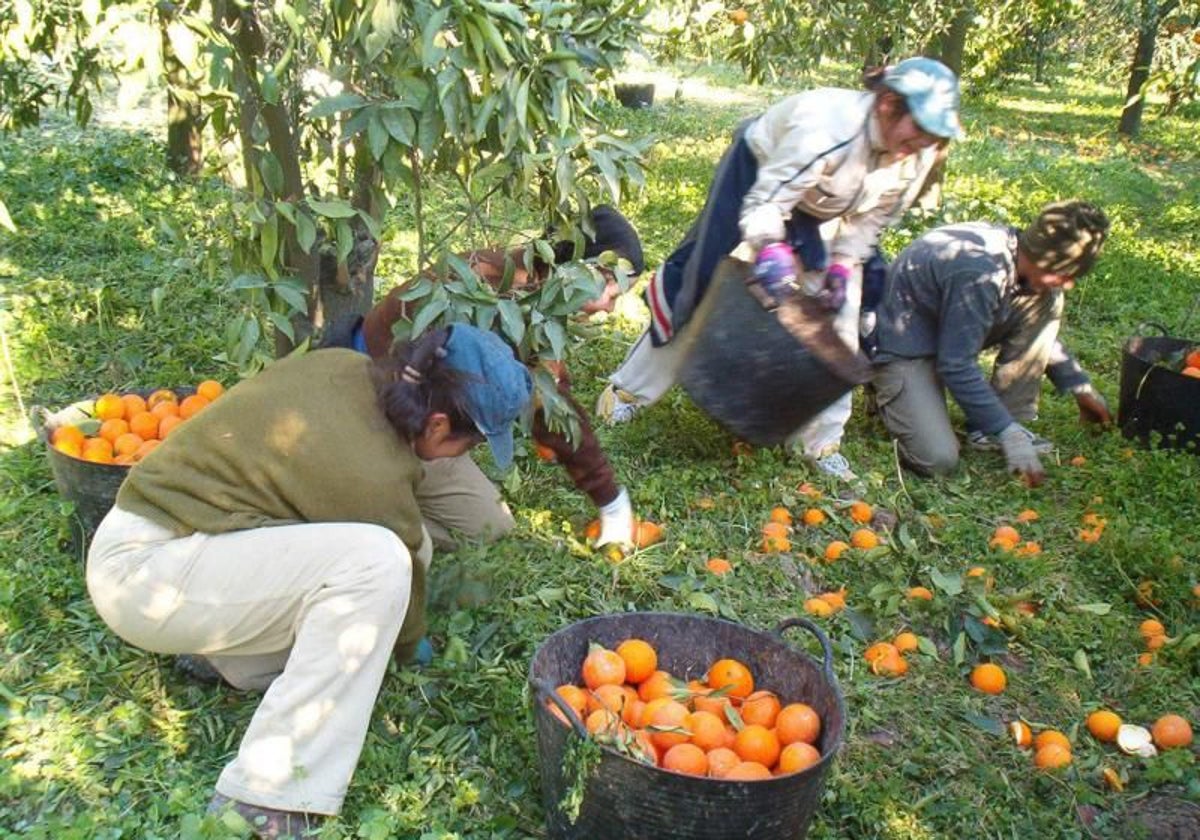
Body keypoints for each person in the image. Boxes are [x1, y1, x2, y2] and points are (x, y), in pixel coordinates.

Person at [85, 325, 532, 838]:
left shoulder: (343, 366)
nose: (461, 457)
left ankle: (234, 660)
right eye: (468, 444)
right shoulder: (371, 473)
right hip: (147, 572)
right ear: (435, 426)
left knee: (391, 556)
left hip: (172, 542)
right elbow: (401, 568)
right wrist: (408, 647)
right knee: (376, 563)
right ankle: (270, 795)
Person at [595, 57, 961, 481]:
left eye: (933, 134)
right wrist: (768, 248)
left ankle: (820, 443)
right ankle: (626, 393)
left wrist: (842, 265)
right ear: (889, 104)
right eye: (919, 127)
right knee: (701, 283)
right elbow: (768, 201)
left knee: (837, 320)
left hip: (824, 204)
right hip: (757, 175)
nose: (924, 141)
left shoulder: (915, 158)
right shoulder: (826, 130)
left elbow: (870, 222)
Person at [328, 205, 646, 548]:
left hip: (410, 405)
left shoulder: (528, 286)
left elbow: (549, 393)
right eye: (612, 294)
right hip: (375, 406)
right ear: (584, 271)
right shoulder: (497, 291)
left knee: (485, 522)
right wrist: (611, 502)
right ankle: (351, 516)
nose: (611, 308)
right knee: (481, 528)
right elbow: (549, 403)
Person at [870, 199, 1112, 485]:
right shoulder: (980, 272)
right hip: (903, 346)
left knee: (1048, 300)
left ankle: (994, 425)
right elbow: (955, 365)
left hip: (946, 332)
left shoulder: (1019, 258)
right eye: (1064, 274)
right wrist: (1006, 431)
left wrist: (1079, 385)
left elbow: (1039, 330)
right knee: (938, 460)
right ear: (1043, 259)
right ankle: (884, 388)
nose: (1069, 283)